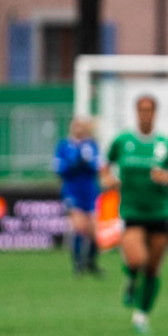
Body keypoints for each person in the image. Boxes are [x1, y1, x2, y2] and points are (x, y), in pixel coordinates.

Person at [105, 95, 168, 334]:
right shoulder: (123, 141)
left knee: (152, 269)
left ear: (155, 113)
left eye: (149, 110)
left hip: (160, 213)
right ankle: (130, 279)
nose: (145, 114)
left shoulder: (167, 145)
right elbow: (105, 163)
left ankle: (141, 317)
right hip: (131, 211)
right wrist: (107, 178)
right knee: (137, 260)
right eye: (141, 109)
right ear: (136, 112)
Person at [55, 117, 103, 276]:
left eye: (82, 126)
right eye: (76, 126)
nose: (79, 129)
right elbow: (59, 169)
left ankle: (91, 262)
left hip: (90, 192)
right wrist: (75, 163)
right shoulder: (64, 145)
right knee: (79, 227)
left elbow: (98, 166)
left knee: (93, 230)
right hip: (72, 192)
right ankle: (77, 264)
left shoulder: (91, 145)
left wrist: (87, 163)